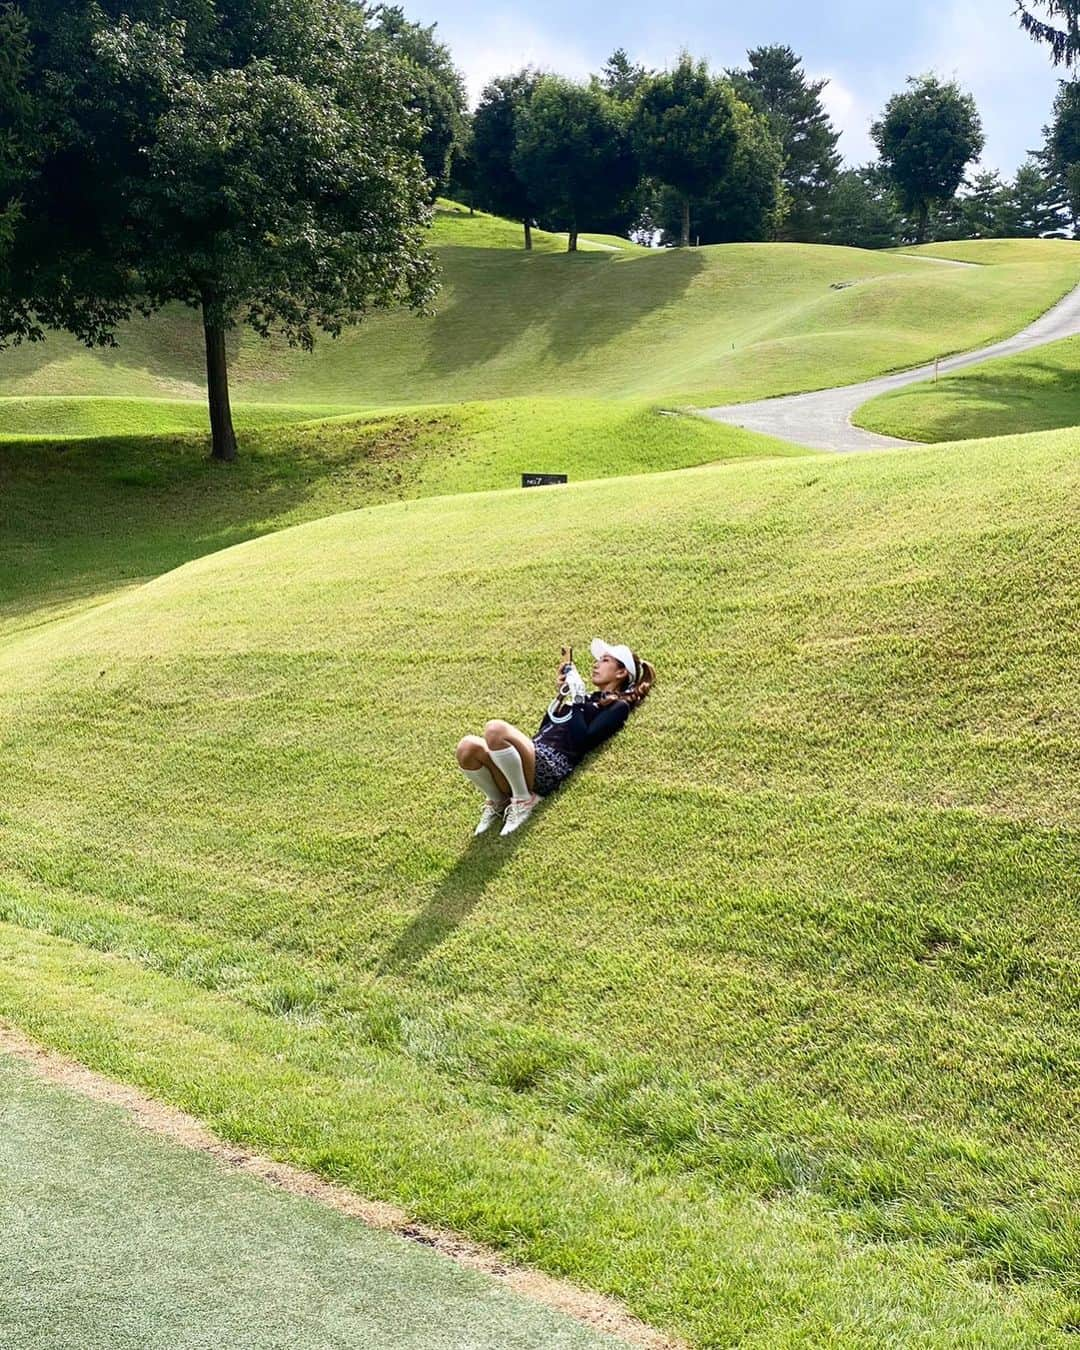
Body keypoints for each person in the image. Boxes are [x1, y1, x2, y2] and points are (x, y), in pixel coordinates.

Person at [455, 638, 656, 837]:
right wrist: (561, 696)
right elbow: (545, 730)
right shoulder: (586, 698)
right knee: (467, 747)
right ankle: (499, 801)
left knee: (494, 729)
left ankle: (523, 801)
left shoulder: (618, 706)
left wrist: (577, 698)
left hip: (550, 768)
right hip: (533, 756)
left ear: (621, 672)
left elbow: (583, 740)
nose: (596, 664)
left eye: (604, 661)